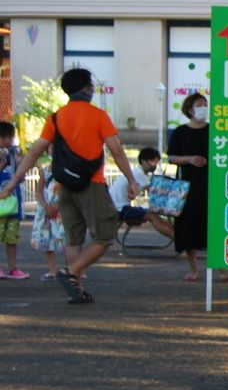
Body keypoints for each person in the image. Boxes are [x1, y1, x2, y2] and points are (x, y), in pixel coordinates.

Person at [0, 68, 138, 303]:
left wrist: (13, 183)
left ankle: (78, 290)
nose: (92, 89)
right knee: (105, 236)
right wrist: (131, 179)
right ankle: (71, 273)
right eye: (90, 85)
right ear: (86, 88)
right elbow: (115, 149)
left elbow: (34, 151)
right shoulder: (98, 115)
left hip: (65, 185)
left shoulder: (56, 117)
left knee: (73, 239)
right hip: (91, 184)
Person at [168, 93, 211, 282]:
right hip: (187, 188)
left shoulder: (214, 131)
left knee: (212, 227)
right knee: (188, 228)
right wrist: (190, 160)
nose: (203, 108)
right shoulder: (179, 133)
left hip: (211, 186)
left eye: (205, 104)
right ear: (189, 109)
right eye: (199, 105)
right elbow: (171, 157)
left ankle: (222, 269)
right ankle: (194, 269)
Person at [109, 147, 174, 241]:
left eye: (156, 162)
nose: (154, 165)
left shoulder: (136, 172)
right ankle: (178, 239)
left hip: (118, 207)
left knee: (153, 214)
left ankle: (178, 237)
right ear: (143, 161)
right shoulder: (140, 175)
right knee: (152, 216)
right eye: (152, 161)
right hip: (120, 209)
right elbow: (155, 193)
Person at [0, 121, 29, 279]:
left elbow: (21, 178)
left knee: (12, 238)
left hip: (13, 204)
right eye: (5, 137)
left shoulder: (13, 154)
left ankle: (13, 268)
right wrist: (2, 163)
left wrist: (20, 164)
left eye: (10, 137)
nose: (8, 141)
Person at [30, 160, 66, 280]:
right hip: (46, 209)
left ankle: (74, 269)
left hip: (63, 208)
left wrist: (57, 205)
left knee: (68, 239)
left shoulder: (68, 169)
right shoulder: (44, 171)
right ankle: (52, 270)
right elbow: (39, 191)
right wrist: (46, 206)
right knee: (47, 238)